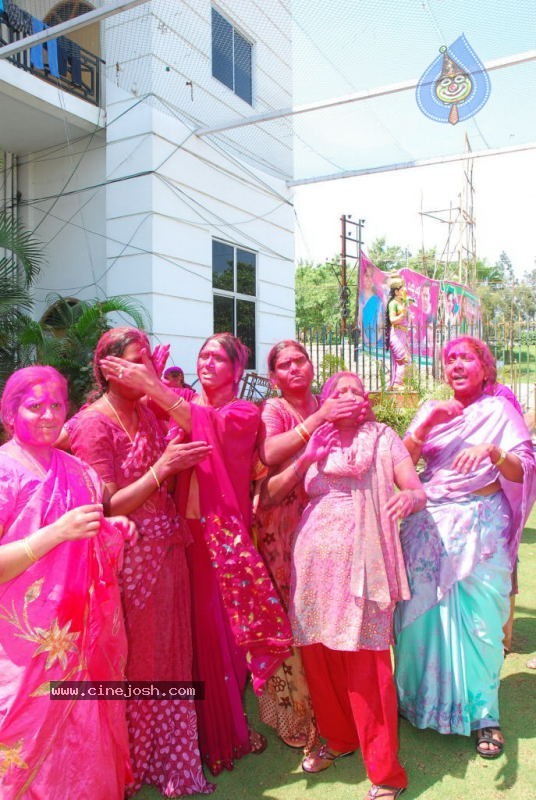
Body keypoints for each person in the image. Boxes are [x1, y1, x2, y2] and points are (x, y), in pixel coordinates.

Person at [98, 331, 293, 775]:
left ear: (236, 371)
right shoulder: (177, 399)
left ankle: (222, 734)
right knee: (184, 640)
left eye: (218, 359)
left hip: (219, 540)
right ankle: (190, 732)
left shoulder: (243, 412)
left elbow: (202, 425)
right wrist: (144, 384)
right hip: (176, 538)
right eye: (202, 355)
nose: (207, 363)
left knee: (220, 636)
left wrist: (154, 387)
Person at [68, 328, 214, 797]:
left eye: (148, 359)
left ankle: (167, 756)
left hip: (168, 550)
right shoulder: (94, 424)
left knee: (171, 654)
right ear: (109, 368)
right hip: (127, 558)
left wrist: (158, 389)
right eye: (135, 360)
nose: (144, 366)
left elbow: (200, 426)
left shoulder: (149, 410)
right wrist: (161, 470)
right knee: (137, 660)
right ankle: (130, 756)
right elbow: (108, 506)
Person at [284, 371, 426, 800]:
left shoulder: (383, 437)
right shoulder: (314, 438)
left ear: (366, 401)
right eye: (338, 391)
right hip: (312, 565)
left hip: (365, 565)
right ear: (324, 400)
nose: (348, 396)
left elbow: (415, 488)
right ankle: (340, 738)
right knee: (319, 657)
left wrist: (410, 499)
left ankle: (385, 772)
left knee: (367, 665)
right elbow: (276, 490)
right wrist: (308, 455)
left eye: (356, 390)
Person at [395, 336, 536, 760]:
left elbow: (525, 466)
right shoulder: (432, 409)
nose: (456, 364)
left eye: (466, 358)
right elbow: (400, 461)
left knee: (479, 624)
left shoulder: (500, 410)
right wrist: (425, 423)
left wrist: (493, 451)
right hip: (428, 526)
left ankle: (482, 715)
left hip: (480, 525)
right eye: (450, 358)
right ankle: (417, 701)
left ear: (484, 368)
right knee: (421, 618)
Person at [0, 365, 135, 800]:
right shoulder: (5, 474)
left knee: (82, 748)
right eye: (33, 406)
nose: (46, 415)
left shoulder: (80, 473)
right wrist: (56, 532)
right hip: (23, 650)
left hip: (81, 641)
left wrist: (113, 527)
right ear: (9, 413)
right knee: (21, 741)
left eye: (55, 405)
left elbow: (87, 539)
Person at [255, 341, 365, 752]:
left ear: (311, 364)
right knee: (291, 620)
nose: (294, 369)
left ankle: (337, 707)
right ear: (274, 377)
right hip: (284, 528)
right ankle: (296, 714)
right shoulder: (275, 411)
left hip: (333, 529)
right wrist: (319, 419)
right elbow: (267, 456)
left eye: (300, 360)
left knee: (331, 618)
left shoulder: (330, 399)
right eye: (284, 365)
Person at [385, 275, 411, 388]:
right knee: (402, 359)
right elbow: (392, 320)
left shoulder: (402, 303)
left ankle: (403, 383)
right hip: (397, 334)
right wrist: (402, 313)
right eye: (402, 288)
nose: (404, 290)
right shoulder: (393, 304)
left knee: (407, 360)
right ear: (396, 291)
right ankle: (397, 384)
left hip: (404, 334)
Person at [359, 261, 385, 348]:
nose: (369, 279)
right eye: (366, 275)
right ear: (362, 277)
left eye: (371, 276)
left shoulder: (378, 301)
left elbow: (382, 325)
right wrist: (365, 340)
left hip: (377, 345)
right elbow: (359, 322)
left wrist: (373, 342)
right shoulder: (359, 298)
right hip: (364, 344)